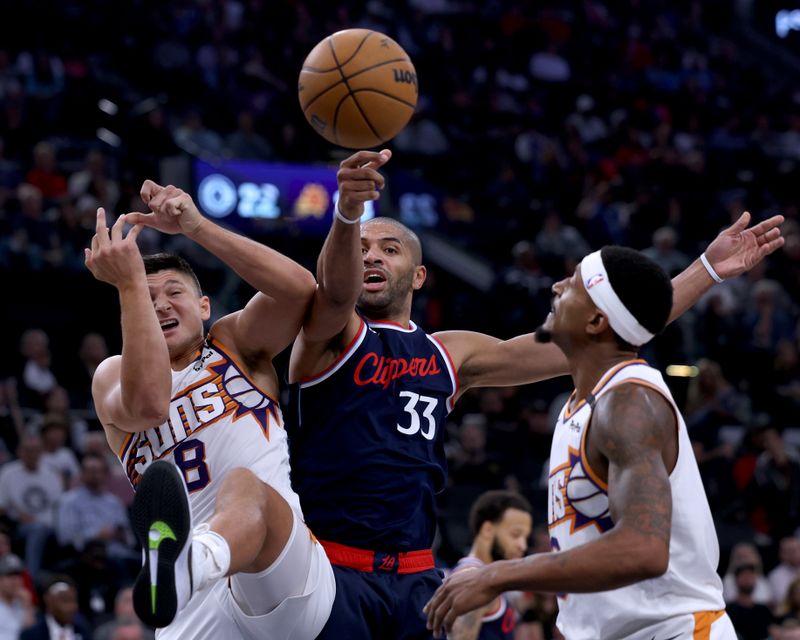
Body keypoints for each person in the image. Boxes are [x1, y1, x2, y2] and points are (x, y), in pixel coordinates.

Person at [288, 149, 785, 639]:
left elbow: (620, 323)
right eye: (363, 248)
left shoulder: (451, 354)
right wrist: (347, 214)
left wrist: (706, 270)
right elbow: (333, 289)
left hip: (414, 571)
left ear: (419, 276)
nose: (372, 254)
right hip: (334, 562)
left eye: (389, 248)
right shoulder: (331, 333)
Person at [424, 246, 741, 638]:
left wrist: (498, 574)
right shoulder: (585, 403)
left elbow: (644, 549)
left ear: (595, 321)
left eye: (573, 284)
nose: (557, 286)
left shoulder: (628, 403)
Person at [88, 182, 334, 640]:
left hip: (278, 574)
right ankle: (183, 567)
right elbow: (149, 403)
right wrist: (128, 284)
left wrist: (195, 227)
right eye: (147, 294)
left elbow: (300, 290)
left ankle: (194, 558)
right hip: (187, 604)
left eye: (173, 292)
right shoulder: (112, 375)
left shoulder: (235, 344)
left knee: (248, 485)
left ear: (204, 307)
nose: (160, 302)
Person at [449, 491, 532, 640]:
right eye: (515, 534)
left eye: (525, 537)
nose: (523, 545)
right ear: (488, 529)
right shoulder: (473, 577)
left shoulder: (488, 575)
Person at [19, 576, 93, 640]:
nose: (72, 607)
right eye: (65, 601)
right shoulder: (31, 635)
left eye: (74, 601)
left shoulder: (84, 633)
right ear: (49, 601)